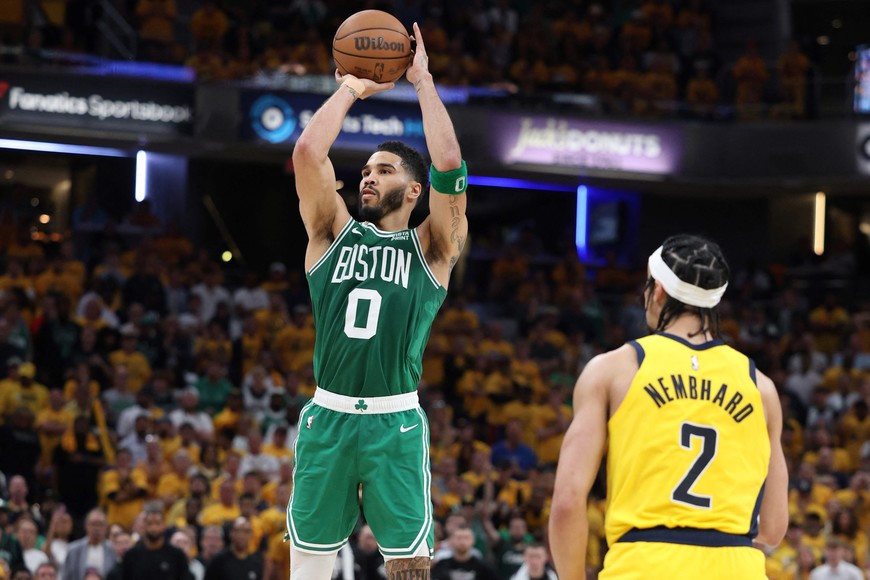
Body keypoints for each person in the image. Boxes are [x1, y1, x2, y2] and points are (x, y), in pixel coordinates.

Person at [286, 21, 468, 580]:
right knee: (309, 566)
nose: (367, 177)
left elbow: (451, 170)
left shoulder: (433, 247)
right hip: (329, 414)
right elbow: (308, 152)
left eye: (383, 170)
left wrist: (423, 84)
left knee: (411, 568)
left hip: (395, 423)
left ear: (415, 191)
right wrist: (350, 88)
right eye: (364, 171)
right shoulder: (329, 232)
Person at [549, 235, 789, 579]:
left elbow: (568, 502)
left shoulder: (614, 369)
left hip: (645, 565)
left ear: (657, 290)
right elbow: (773, 527)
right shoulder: (761, 387)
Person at [120, 503, 191, 580]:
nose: (154, 528)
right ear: (144, 525)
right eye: (150, 523)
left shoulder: (177, 556)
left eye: (157, 523)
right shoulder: (131, 556)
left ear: (164, 525)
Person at [61, 509, 117, 580]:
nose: (97, 528)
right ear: (86, 526)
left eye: (100, 524)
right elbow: (66, 576)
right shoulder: (73, 550)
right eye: (93, 524)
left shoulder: (112, 549)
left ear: (106, 527)